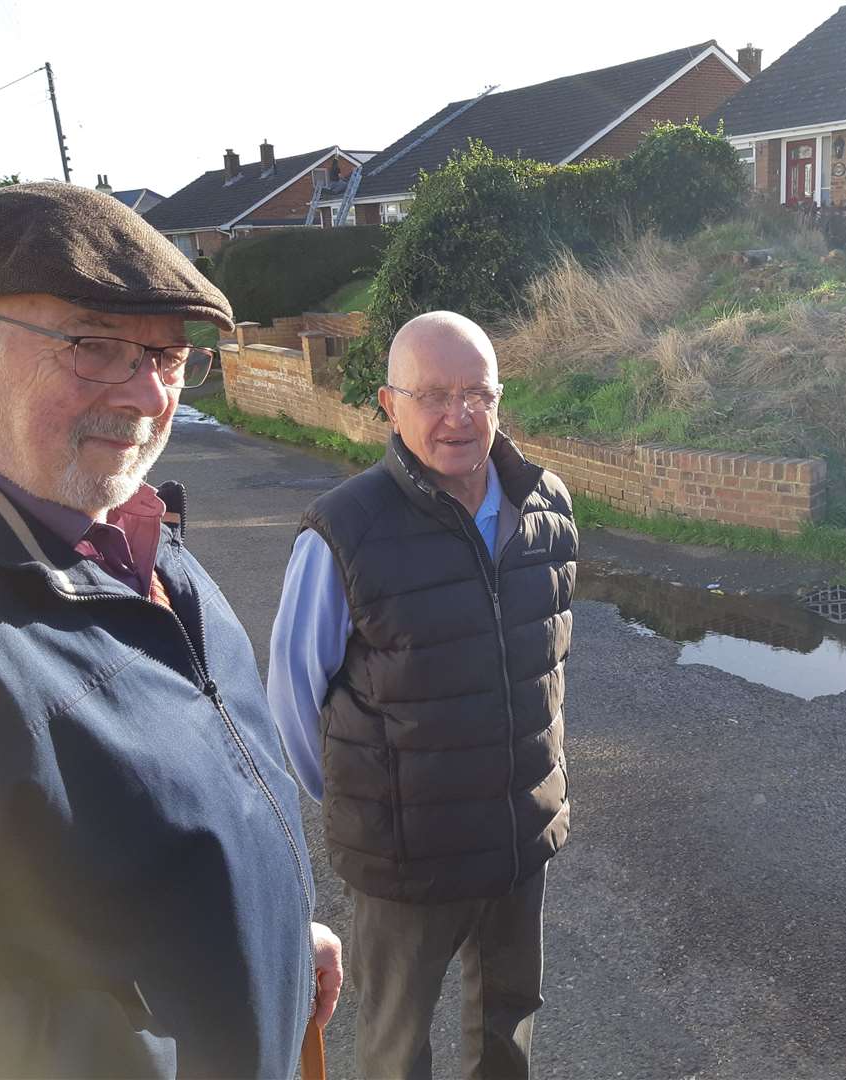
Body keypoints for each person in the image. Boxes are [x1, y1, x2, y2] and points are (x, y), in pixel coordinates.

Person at [0, 182, 342, 1078]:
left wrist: (280, 932)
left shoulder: (120, 525)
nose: (145, 395)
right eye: (94, 348)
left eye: (169, 357)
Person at [268, 311, 576, 1080]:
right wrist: (369, 804)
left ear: (500, 399)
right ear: (388, 403)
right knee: (397, 1044)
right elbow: (292, 701)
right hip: (408, 854)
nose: (458, 415)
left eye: (477, 392)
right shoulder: (344, 529)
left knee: (509, 1028)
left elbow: (545, 661)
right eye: (434, 394)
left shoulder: (548, 506)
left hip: (515, 835)